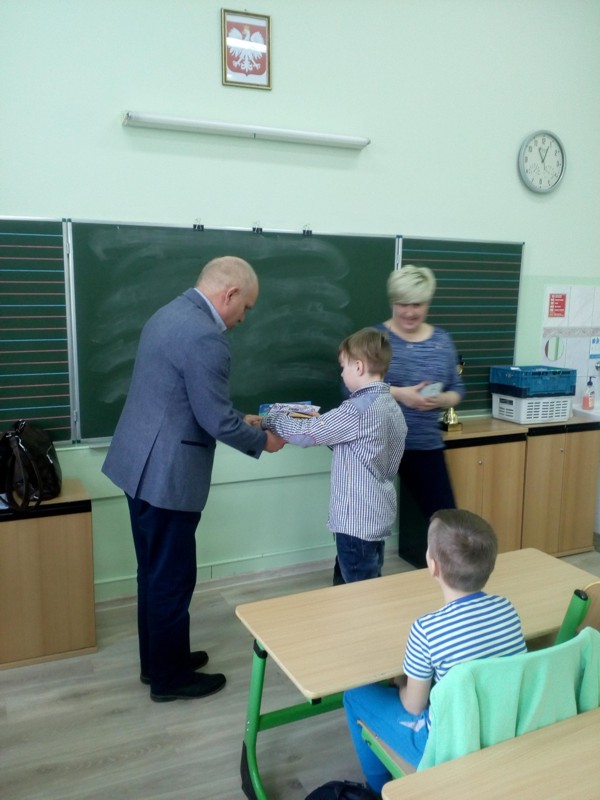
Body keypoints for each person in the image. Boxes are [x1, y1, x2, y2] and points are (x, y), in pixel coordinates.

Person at [102, 256, 285, 702]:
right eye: (246, 308)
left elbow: (187, 400)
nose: (243, 318)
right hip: (167, 476)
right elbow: (215, 421)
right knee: (172, 577)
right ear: (230, 294)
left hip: (137, 465)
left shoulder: (167, 314)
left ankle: (159, 663)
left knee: (153, 572)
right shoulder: (207, 337)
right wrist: (263, 441)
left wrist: (239, 418)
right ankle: (171, 680)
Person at [343, 509, 526, 794]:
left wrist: (403, 684)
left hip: (444, 746)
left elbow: (413, 706)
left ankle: (378, 789)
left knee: (355, 694)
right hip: (498, 727)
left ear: (433, 566)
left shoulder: (427, 629)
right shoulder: (507, 610)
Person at [260, 327, 407, 585]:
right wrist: (326, 424)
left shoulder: (357, 409)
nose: (341, 373)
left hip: (355, 522)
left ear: (358, 367)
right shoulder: (390, 405)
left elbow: (307, 434)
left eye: (343, 366)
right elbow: (361, 449)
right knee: (358, 581)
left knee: (361, 589)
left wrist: (270, 419)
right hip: (376, 515)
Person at [374, 265, 465, 567]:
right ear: (392, 301)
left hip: (425, 446)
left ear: (428, 302)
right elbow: (352, 388)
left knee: (448, 523)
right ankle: (349, 582)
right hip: (378, 446)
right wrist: (401, 394)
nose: (410, 312)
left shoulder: (442, 341)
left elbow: (457, 388)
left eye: (418, 304)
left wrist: (442, 400)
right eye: (403, 304)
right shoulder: (376, 339)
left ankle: (455, 582)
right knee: (365, 524)